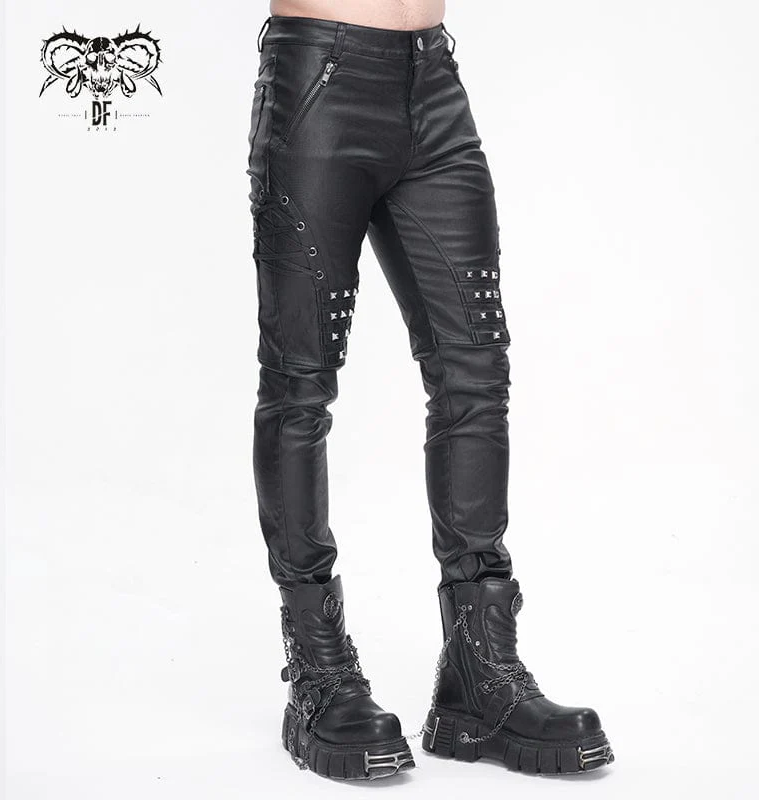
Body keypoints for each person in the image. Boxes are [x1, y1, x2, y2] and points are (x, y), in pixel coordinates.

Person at [245, 0, 614, 780]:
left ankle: (480, 672)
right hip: (319, 85)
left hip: (435, 82)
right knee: (301, 385)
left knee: (476, 371)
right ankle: (318, 671)